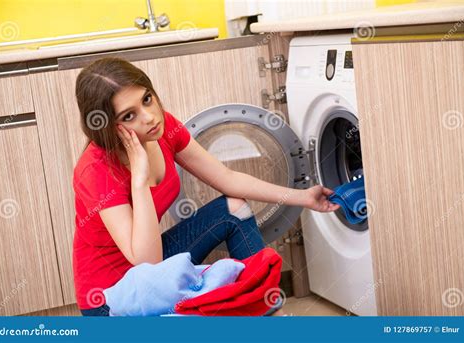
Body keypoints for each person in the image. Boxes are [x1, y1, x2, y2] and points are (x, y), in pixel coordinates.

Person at [72, 57, 340, 316]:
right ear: (107, 127)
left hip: (153, 263)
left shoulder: (163, 128)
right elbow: (147, 264)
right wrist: (139, 180)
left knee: (234, 208)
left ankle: (267, 309)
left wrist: (303, 196)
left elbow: (227, 178)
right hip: (112, 298)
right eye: (129, 115)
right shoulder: (96, 169)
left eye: (147, 99)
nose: (150, 117)